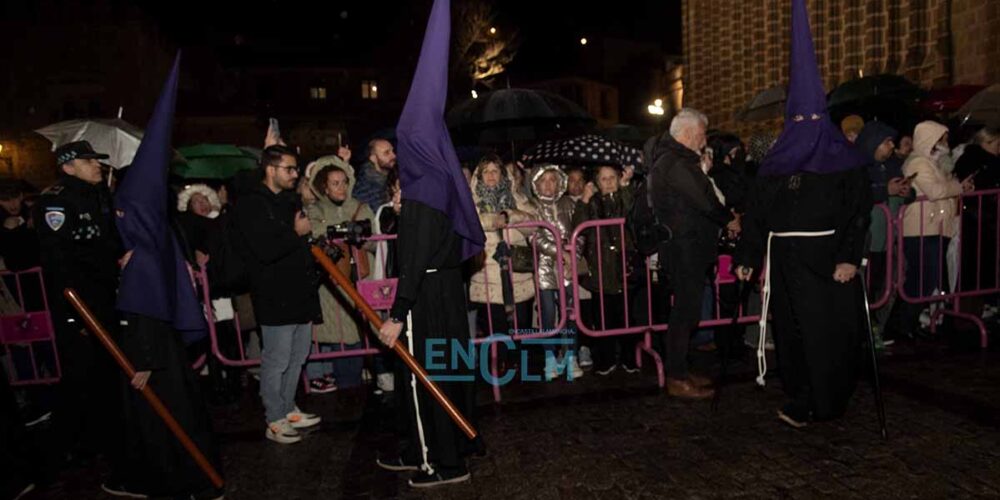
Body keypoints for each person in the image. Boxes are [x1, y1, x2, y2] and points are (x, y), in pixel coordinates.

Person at [734, 0, 872, 428]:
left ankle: (827, 399)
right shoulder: (775, 166)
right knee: (792, 333)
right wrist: (747, 255)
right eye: (800, 117)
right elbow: (757, 214)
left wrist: (850, 256)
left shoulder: (844, 162)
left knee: (825, 333)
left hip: (828, 262)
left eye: (814, 116)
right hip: (786, 263)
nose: (807, 124)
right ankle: (800, 394)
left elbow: (859, 212)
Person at [375, 0, 487, 487]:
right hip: (447, 293)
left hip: (424, 297)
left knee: (426, 379)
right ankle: (449, 443)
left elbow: (415, 255)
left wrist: (397, 314)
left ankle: (439, 460)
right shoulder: (441, 180)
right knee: (450, 368)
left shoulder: (422, 190)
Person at [111, 57, 223, 499]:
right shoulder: (154, 237)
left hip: (155, 352)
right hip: (168, 353)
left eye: (121, 210)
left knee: (166, 420)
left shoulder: (143, 248)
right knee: (184, 412)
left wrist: (143, 360)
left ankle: (180, 481)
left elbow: (146, 307)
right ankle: (197, 477)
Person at [32, 140, 128, 482]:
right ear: (68, 166)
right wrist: (75, 314)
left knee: (105, 373)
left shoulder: (101, 194)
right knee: (80, 376)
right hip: (77, 303)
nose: (97, 166)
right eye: (88, 162)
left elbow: (107, 243)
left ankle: (106, 439)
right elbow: (58, 263)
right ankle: (61, 451)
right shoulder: (55, 201)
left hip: (103, 297)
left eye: (96, 161)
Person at [232, 144, 322, 444]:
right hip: (273, 293)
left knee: (298, 356)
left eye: (296, 168)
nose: (295, 174)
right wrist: (294, 233)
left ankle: (288, 408)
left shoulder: (287, 200)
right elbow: (265, 248)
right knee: (277, 358)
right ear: (270, 169)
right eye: (289, 169)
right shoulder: (251, 204)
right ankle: (274, 418)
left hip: (299, 291)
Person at [649, 110, 735, 398]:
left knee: (687, 311)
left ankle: (681, 370)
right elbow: (704, 200)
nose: (703, 140)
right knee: (685, 313)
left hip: (688, 247)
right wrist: (728, 219)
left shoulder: (677, 160)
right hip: (684, 248)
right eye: (700, 134)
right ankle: (676, 376)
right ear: (686, 134)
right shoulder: (675, 163)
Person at [899, 121, 974, 338]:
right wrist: (958, 187)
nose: (946, 143)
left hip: (936, 227)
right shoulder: (918, 163)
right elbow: (935, 191)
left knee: (928, 278)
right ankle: (905, 324)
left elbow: (945, 187)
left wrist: (960, 187)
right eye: (942, 138)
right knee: (921, 279)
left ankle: (911, 324)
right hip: (921, 228)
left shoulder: (937, 163)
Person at [305, 159, 374, 393]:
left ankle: (359, 385)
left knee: (365, 330)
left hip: (362, 277)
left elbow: (376, 240)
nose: (341, 187)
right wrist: (341, 231)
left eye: (344, 182)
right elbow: (312, 234)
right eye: (335, 183)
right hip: (331, 283)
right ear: (324, 186)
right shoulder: (314, 210)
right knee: (341, 334)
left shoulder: (361, 207)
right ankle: (346, 390)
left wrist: (364, 237)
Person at [574, 164, 640, 376]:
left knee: (627, 317)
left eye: (613, 177)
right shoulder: (592, 203)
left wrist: (626, 186)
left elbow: (631, 209)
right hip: (600, 269)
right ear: (596, 182)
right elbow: (578, 225)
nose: (609, 181)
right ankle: (606, 359)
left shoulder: (624, 197)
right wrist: (584, 199)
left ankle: (629, 358)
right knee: (603, 318)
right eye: (604, 178)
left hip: (623, 268)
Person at [469, 155, 536, 353]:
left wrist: (510, 216)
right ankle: (501, 365)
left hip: (518, 271)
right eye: (486, 172)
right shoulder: (471, 200)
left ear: (502, 174)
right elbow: (468, 224)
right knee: (495, 327)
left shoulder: (516, 197)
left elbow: (535, 225)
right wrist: (492, 221)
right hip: (487, 273)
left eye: (495, 171)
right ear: (479, 176)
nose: (491, 175)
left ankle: (520, 364)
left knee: (522, 324)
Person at [857, 121, 914, 346]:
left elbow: (904, 191)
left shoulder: (890, 165)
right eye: (886, 142)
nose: (891, 146)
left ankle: (874, 329)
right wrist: (884, 190)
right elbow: (857, 192)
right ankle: (863, 332)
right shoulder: (859, 165)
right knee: (865, 287)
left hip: (887, 239)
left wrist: (906, 191)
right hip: (867, 240)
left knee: (884, 284)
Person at [529, 164, 584, 380]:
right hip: (545, 267)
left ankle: (571, 356)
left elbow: (580, 232)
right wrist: (561, 254)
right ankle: (550, 358)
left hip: (568, 269)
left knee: (570, 313)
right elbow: (535, 237)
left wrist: (573, 257)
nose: (549, 184)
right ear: (536, 184)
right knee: (548, 315)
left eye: (553, 179)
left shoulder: (568, 204)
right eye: (544, 180)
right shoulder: (533, 207)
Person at [0, 179, 40, 271]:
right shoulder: (2, 219)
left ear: (21, 196)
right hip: (18, 276)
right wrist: (9, 231)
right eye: (5, 200)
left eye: (15, 197)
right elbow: (13, 263)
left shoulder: (30, 212)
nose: (12, 204)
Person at [354, 138, 397, 211]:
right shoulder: (366, 189)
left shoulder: (393, 176)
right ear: (373, 158)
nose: (393, 156)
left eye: (392, 151)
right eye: (386, 153)